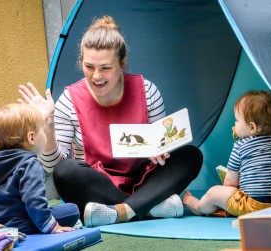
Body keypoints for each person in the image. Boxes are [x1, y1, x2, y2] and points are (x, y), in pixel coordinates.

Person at [17, 15, 203, 227]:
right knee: (64, 171)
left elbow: (162, 150)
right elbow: (52, 167)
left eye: (105, 68)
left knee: (191, 155)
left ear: (122, 63)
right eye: (89, 67)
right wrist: (48, 126)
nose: (96, 76)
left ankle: (119, 212)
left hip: (144, 181)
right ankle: (148, 208)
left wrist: (159, 152)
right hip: (98, 186)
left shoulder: (148, 91)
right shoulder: (69, 100)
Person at [0, 103, 80, 234]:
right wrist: (52, 227)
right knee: (72, 210)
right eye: (43, 131)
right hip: (22, 225)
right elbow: (34, 200)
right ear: (31, 137)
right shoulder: (30, 163)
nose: (45, 134)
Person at [182, 90, 271, 217]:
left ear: (252, 128)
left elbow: (230, 182)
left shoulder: (240, 146)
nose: (234, 124)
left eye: (237, 120)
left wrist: (227, 191)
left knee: (214, 192)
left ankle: (199, 207)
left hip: (251, 205)